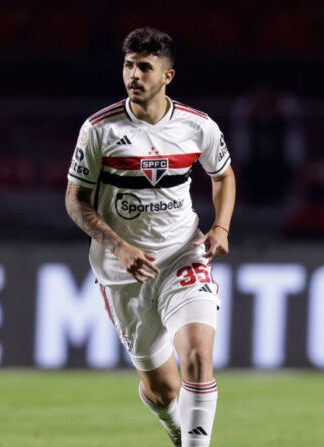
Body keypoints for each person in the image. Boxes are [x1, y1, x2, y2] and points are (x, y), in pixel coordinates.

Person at [64, 27, 236, 447]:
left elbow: (223, 174)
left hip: (183, 256)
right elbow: (75, 201)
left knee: (198, 356)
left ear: (167, 76)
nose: (134, 75)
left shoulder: (198, 127)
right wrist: (119, 246)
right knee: (163, 391)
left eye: (144, 66)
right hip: (124, 274)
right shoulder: (99, 130)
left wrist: (220, 227)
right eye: (128, 65)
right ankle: (177, 429)